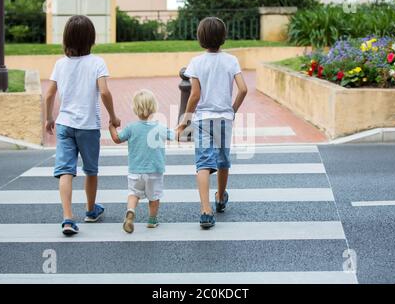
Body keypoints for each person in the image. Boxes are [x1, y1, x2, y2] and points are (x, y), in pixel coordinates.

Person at [44, 15, 121, 235]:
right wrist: (113, 117)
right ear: (91, 39)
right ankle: (90, 210)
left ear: (66, 38)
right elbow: (104, 92)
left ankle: (68, 218)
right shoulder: (97, 62)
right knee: (90, 170)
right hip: (88, 126)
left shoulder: (60, 64)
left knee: (65, 171)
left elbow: (49, 94)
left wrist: (49, 117)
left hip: (65, 124)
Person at [176, 17, 248, 229]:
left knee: (203, 164)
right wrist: (232, 110)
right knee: (223, 159)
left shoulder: (196, 62)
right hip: (224, 119)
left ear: (200, 38)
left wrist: (185, 120)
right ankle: (220, 197)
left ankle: (206, 211)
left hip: (202, 120)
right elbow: (243, 89)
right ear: (223, 37)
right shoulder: (231, 60)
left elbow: (195, 95)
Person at [109, 90, 175, 233]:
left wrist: (111, 126)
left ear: (135, 108)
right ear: (154, 107)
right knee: (154, 197)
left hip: (135, 171)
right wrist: (182, 126)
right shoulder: (160, 127)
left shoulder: (131, 127)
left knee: (133, 193)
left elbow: (116, 139)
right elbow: (175, 135)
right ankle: (152, 220)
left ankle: (131, 211)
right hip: (154, 171)